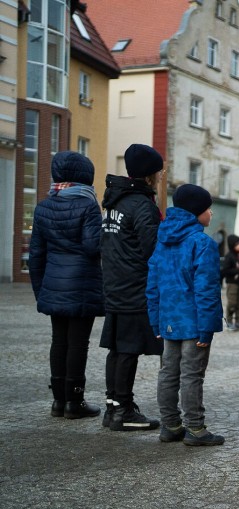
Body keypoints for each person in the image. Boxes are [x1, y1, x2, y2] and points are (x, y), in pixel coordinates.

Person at [147, 184, 225, 445]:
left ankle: (170, 424)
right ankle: (195, 429)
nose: (211, 214)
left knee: (168, 372)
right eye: (207, 209)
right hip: (194, 322)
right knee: (192, 374)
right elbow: (207, 290)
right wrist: (207, 328)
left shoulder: (163, 239)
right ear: (196, 212)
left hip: (169, 320)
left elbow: (153, 284)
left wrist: (155, 320)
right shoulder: (202, 243)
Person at [29, 151, 104, 419]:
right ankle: (75, 402)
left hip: (53, 285)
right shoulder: (88, 205)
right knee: (78, 344)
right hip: (82, 285)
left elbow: (36, 254)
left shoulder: (44, 206)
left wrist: (41, 291)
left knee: (58, 342)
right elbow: (92, 246)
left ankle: (58, 401)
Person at [99, 144, 163, 432]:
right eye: (159, 172)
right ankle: (122, 410)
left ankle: (113, 405)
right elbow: (152, 249)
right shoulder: (142, 205)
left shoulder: (115, 201)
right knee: (127, 350)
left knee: (117, 349)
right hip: (134, 287)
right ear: (150, 175)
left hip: (114, 284)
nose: (161, 177)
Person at [221, 234, 239, 331]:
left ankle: (238, 322)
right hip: (232, 284)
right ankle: (229, 322)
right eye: (238, 244)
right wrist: (237, 271)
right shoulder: (229, 256)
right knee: (232, 303)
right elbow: (224, 271)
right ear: (233, 245)